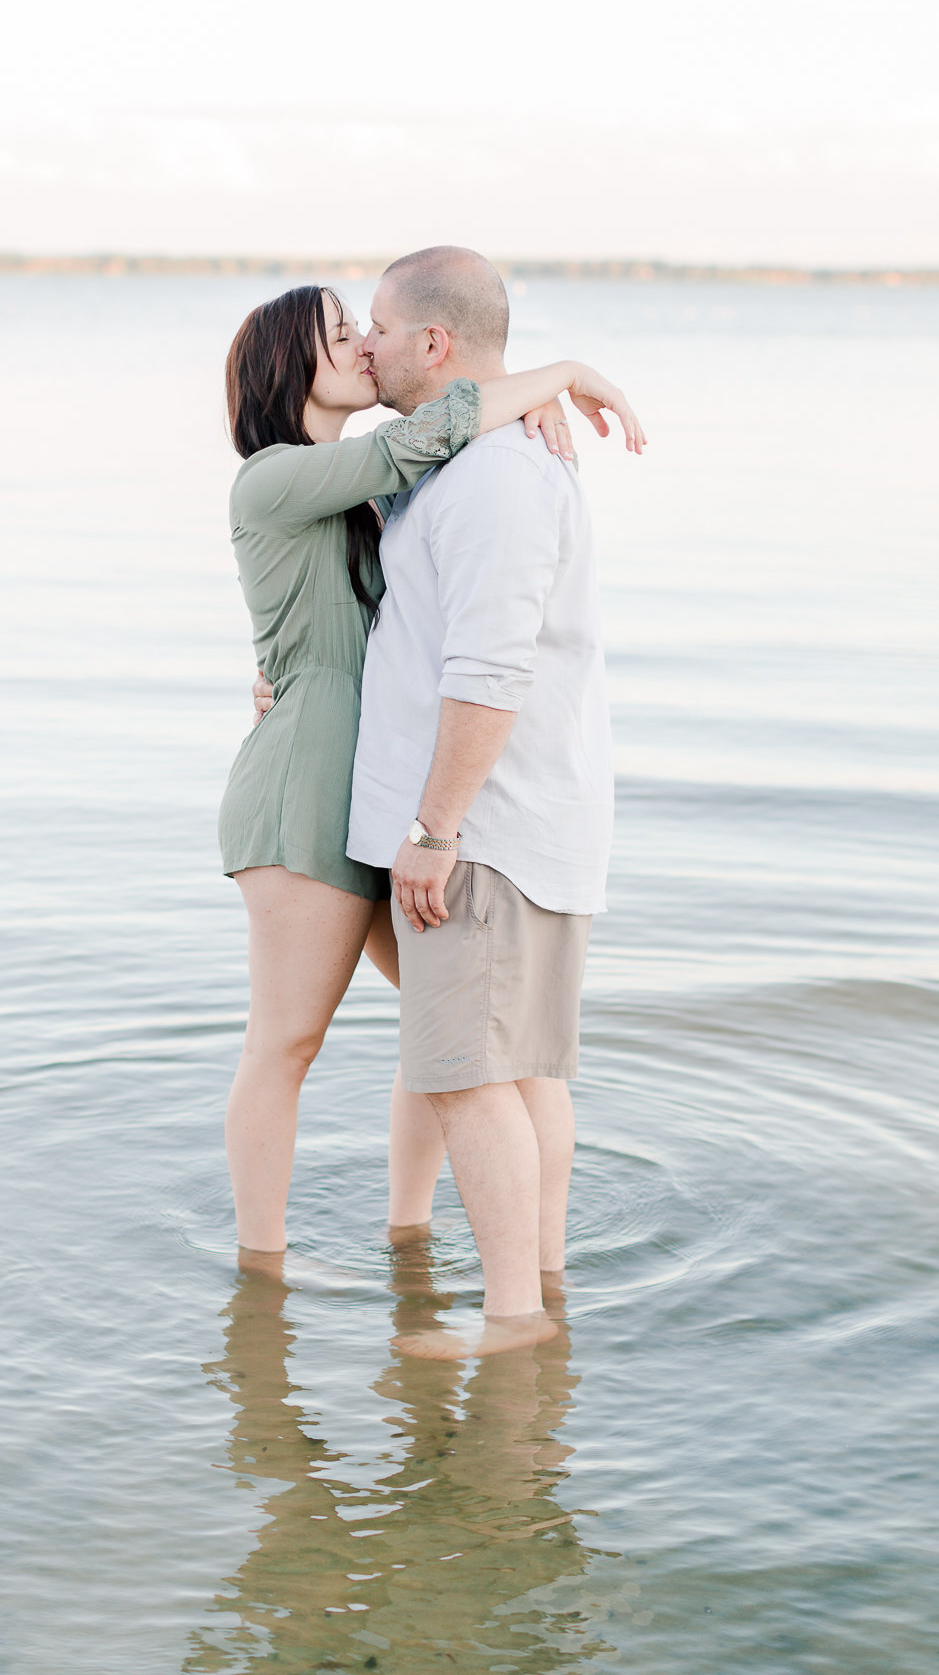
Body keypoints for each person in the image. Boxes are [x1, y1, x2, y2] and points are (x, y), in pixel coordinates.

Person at [220, 282, 643, 1262]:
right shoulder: (274, 476)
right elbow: (416, 438)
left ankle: (408, 1234)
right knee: (286, 1041)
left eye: (368, 330)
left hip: (380, 790)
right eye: (341, 336)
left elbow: (391, 610)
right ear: (293, 365)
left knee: (449, 1027)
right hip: (302, 795)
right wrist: (560, 373)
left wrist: (516, 397)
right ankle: (262, 1273)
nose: (365, 347)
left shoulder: (368, 490)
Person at [348, 246, 640, 1358]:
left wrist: (433, 829)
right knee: (515, 1071)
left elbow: (489, 670)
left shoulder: (498, 478)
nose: (364, 343)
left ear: (434, 341)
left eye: (376, 324)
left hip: (488, 834)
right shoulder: (475, 457)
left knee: (469, 1077)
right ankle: (541, 1289)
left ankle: (512, 1317)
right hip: (515, 827)